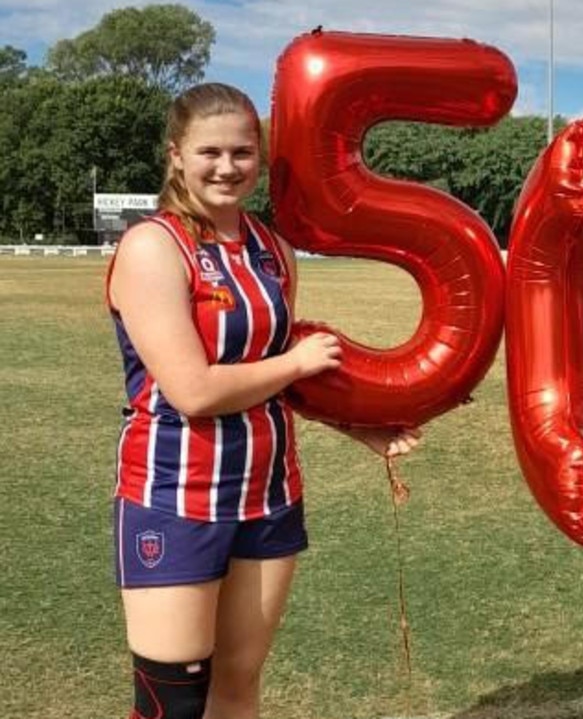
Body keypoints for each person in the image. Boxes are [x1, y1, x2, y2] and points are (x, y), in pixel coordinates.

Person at [106, 82, 420, 719]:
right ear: (175, 154)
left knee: (239, 684)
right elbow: (193, 390)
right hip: (177, 495)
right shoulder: (153, 247)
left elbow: (278, 379)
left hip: (269, 493)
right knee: (171, 702)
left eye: (243, 152)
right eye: (210, 152)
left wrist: (357, 426)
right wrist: (297, 360)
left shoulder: (271, 249)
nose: (227, 167)